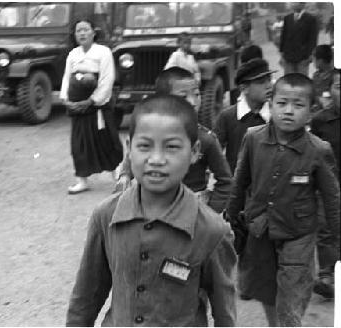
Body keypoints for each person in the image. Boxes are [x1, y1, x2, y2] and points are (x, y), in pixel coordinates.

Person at [66, 94, 237, 326]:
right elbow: (85, 298)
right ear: (129, 148)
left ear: (195, 152)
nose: (156, 159)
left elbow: (225, 314)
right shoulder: (106, 216)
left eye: (172, 147)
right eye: (144, 146)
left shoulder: (212, 231)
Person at [225, 73, 340, 326]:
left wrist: (337, 238)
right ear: (271, 104)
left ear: (310, 112)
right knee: (266, 289)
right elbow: (240, 181)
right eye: (282, 103)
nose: (289, 111)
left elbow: (332, 198)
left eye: (298, 106)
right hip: (260, 228)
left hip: (298, 234)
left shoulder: (319, 150)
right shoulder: (253, 138)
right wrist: (230, 219)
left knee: (291, 295)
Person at [115, 67, 232, 213]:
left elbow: (225, 181)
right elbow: (132, 156)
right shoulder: (148, 134)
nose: (193, 102)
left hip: (191, 209)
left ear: (194, 151)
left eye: (196, 95)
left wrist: (210, 211)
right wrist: (125, 175)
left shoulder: (206, 139)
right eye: (183, 97)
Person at [59, 19, 123, 194]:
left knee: (107, 140)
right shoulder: (73, 54)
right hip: (77, 107)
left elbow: (107, 79)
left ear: (93, 32)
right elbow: (66, 78)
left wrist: (92, 101)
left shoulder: (103, 52)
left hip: (97, 106)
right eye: (78, 30)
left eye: (85, 30)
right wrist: (66, 100)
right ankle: (82, 180)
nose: (82, 33)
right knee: (79, 144)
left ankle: (118, 177)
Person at [310, 69, 340, 299]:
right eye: (339, 86)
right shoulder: (321, 120)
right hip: (329, 182)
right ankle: (326, 273)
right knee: (325, 226)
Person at [214, 58, 274, 174]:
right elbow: (214, 152)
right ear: (244, 88)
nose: (269, 86)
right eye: (261, 82)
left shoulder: (275, 116)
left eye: (269, 80)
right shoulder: (228, 116)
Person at [279, 2, 319, 76]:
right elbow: (283, 37)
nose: (293, 4)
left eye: (296, 2)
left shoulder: (311, 19)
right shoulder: (287, 18)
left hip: (303, 58)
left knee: (301, 81)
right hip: (288, 57)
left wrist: (310, 56)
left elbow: (313, 39)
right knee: (289, 80)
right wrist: (281, 54)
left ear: (303, 4)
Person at [311, 44, 334, 113]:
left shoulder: (334, 77)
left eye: (314, 59)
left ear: (320, 61)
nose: (313, 62)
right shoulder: (316, 76)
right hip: (315, 109)